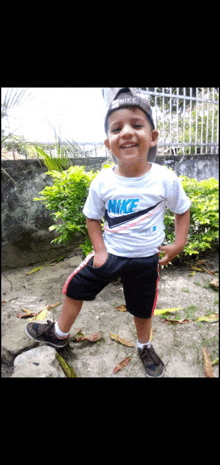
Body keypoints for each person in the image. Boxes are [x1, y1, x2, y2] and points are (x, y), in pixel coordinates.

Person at [25, 87, 191, 378]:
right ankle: (60, 333)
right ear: (108, 144)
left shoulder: (165, 179)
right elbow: (92, 218)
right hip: (110, 254)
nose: (126, 132)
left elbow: (182, 210)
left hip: (144, 259)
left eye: (137, 124)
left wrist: (179, 243)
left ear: (152, 137)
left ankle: (144, 346)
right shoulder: (103, 182)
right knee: (75, 288)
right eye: (117, 128)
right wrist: (100, 251)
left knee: (142, 308)